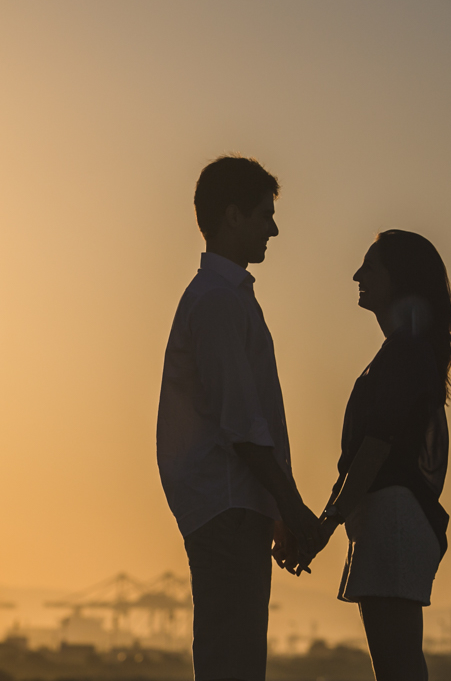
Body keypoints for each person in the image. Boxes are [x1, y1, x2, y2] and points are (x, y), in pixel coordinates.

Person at [157, 155, 325, 681]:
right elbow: (243, 427)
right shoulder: (217, 302)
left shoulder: (227, 298)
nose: (273, 229)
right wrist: (293, 509)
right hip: (227, 504)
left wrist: (273, 510)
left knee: (236, 658)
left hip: (234, 503)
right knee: (233, 662)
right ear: (233, 215)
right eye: (265, 214)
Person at [315, 230, 451, 681]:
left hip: (392, 520)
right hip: (386, 521)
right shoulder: (403, 352)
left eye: (370, 267)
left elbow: (375, 447)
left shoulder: (405, 353)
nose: (357, 275)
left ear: (400, 278)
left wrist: (328, 520)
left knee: (398, 668)